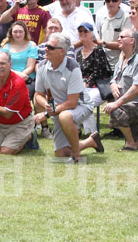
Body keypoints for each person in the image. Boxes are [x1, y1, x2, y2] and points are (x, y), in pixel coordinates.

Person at [36, 33, 103, 162]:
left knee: (65, 116)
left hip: (81, 106)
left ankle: (76, 155)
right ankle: (90, 142)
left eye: (50, 47)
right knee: (61, 154)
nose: (45, 49)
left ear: (62, 51)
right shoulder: (41, 66)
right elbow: (38, 95)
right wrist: (46, 105)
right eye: (46, 46)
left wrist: (47, 114)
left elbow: (73, 102)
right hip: (60, 109)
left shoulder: (73, 68)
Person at [94, 0, 131, 68]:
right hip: (103, 64)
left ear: (120, 1)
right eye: (108, 0)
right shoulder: (102, 17)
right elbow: (100, 37)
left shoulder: (126, 18)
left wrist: (104, 44)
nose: (111, 3)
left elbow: (125, 43)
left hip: (119, 64)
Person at [4, 20, 39, 93]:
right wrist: (17, 76)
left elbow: (30, 67)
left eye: (20, 32)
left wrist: (20, 77)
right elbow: (4, 65)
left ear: (25, 32)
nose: (18, 34)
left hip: (27, 78)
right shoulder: (6, 46)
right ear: (11, 32)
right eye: (15, 32)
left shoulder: (31, 45)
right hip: (9, 77)